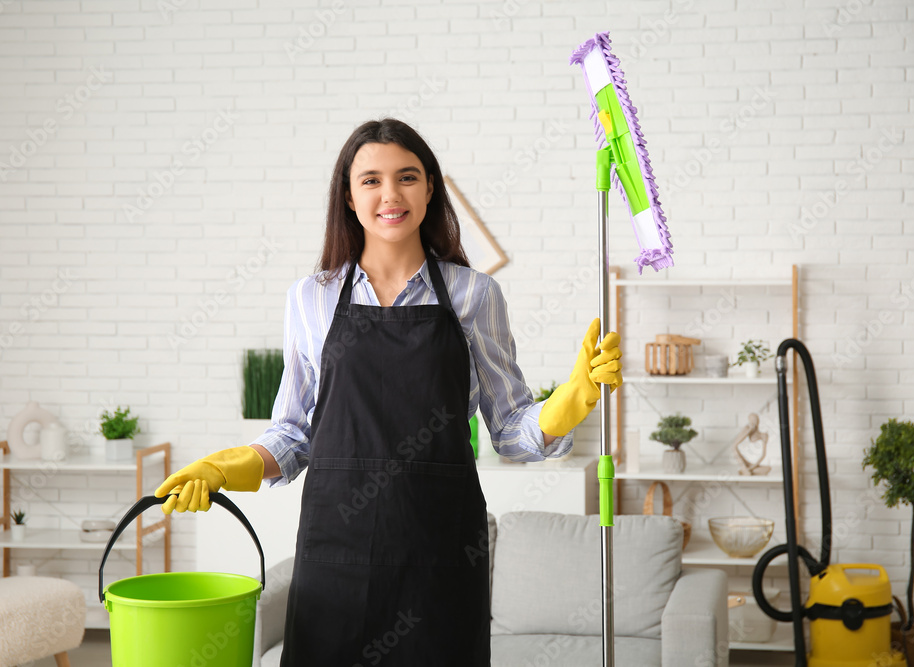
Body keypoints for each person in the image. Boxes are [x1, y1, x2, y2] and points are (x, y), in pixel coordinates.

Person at [154, 118, 622, 666]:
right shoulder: (312, 298)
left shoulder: (474, 294)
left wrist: (569, 402)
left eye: (407, 177)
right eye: (371, 180)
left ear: (429, 189)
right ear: (349, 197)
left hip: (440, 548)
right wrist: (226, 467)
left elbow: (512, 429)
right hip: (336, 549)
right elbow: (294, 433)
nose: (390, 194)